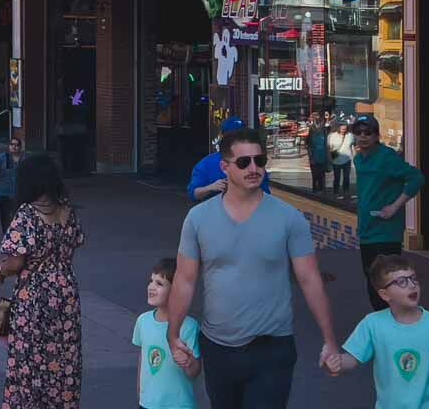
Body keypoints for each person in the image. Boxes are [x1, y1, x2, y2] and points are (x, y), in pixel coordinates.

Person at [167, 128, 340, 409]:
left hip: (273, 346)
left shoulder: (289, 218)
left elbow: (309, 279)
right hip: (218, 346)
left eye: (259, 161)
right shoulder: (198, 219)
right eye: (243, 162)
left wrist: (330, 340)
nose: (253, 168)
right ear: (224, 167)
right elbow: (185, 280)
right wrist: (173, 334)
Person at [0, 153, 85, 407]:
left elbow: (16, 261)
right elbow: (73, 245)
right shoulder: (67, 209)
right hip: (66, 292)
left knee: (29, 360)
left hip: (33, 296)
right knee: (65, 356)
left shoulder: (26, 214)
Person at [325, 254, 429, 408]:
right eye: (401, 282)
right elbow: (352, 359)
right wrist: (337, 362)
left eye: (413, 278)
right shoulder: (372, 324)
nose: (412, 285)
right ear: (384, 295)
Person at [350, 113, 425, 311]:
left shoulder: (386, 157)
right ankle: (384, 329)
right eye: (359, 132)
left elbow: (417, 178)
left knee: (390, 284)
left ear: (377, 136)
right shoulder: (359, 159)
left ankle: (399, 327)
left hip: (385, 232)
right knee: (373, 283)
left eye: (369, 132)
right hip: (367, 231)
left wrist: (395, 206)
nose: (363, 136)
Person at [134, 258, 201, 409]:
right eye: (151, 281)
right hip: (148, 404)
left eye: (159, 284)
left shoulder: (189, 326)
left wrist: (188, 362)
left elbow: (195, 371)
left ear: (175, 291)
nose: (151, 287)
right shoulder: (142, 322)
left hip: (179, 405)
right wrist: (140, 393)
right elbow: (143, 358)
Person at [188, 117, 272, 201]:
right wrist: (211, 187)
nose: (238, 140)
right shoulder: (206, 164)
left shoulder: (255, 163)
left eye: (241, 135)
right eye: (233, 136)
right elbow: (193, 194)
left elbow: (266, 194)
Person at [328, 120, 355, 195]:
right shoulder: (332, 136)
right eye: (342, 129)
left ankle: (346, 191)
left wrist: (355, 157)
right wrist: (330, 158)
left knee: (346, 177)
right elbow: (329, 148)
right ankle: (336, 191)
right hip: (336, 160)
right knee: (337, 177)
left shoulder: (350, 135)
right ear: (339, 128)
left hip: (347, 159)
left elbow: (354, 146)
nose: (344, 130)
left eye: (345, 129)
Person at [306, 112, 329, 193]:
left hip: (322, 156)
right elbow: (308, 145)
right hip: (314, 157)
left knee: (321, 175)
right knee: (315, 175)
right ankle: (315, 189)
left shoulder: (325, 130)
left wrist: (330, 157)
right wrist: (310, 157)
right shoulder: (311, 131)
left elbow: (329, 145)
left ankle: (321, 188)